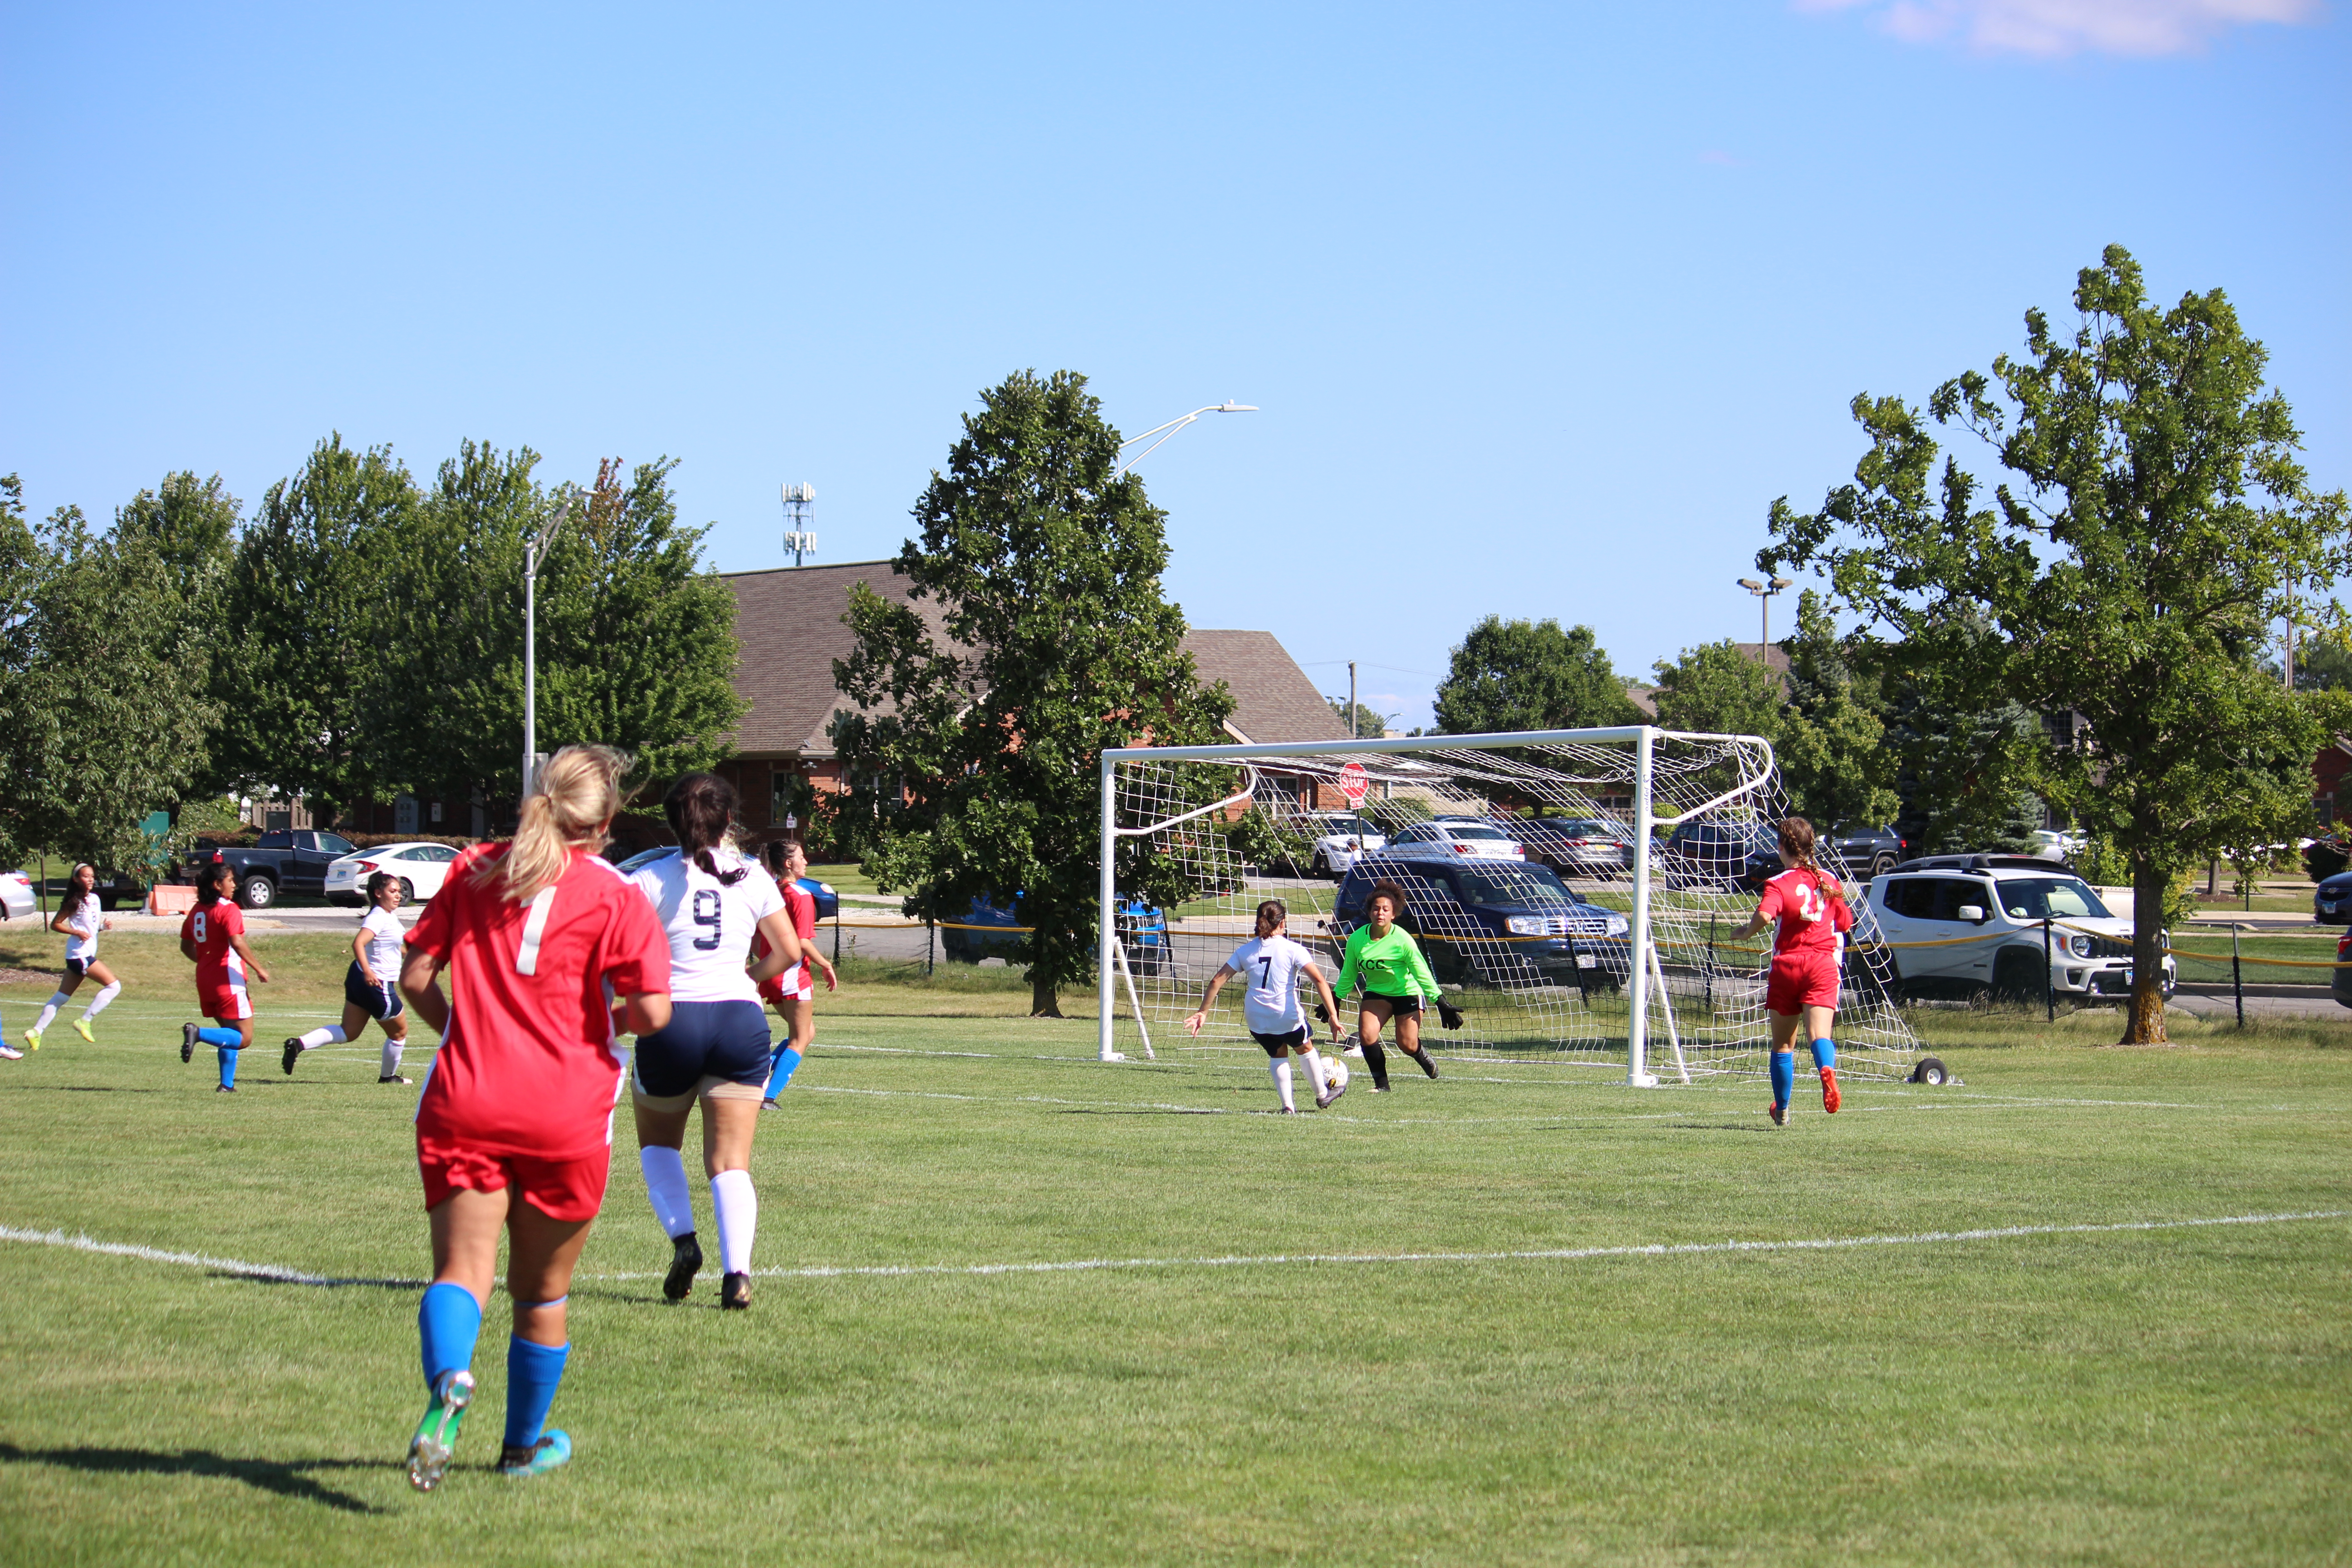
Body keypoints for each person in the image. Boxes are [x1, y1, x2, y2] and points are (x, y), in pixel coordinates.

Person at [398, 745, 671, 1488]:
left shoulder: (470, 868)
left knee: (461, 1271)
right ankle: (520, 1451)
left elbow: (413, 977)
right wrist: (594, 1020)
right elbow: (650, 1010)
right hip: (566, 1112)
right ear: (606, 820)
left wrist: (460, 1026)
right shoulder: (618, 896)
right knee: (541, 1295)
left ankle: (451, 1378)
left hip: (467, 1100)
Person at [626, 774, 803, 1311]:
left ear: (671, 821)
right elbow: (790, 952)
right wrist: (747, 979)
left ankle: (684, 1241)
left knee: (659, 1145)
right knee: (730, 1162)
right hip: (737, 1019)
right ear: (729, 820)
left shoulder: (649, 879)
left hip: (671, 1017)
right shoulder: (752, 876)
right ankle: (738, 1275)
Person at [1727, 816, 1854, 1127]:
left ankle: (1782, 1110)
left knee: (1783, 1045)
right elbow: (1847, 923)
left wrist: (1745, 931)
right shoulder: (1829, 881)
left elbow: (1766, 915)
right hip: (1823, 964)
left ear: (1782, 846)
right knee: (1819, 1035)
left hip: (1787, 965)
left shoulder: (1779, 882)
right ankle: (1826, 1069)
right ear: (1811, 847)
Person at [1184, 898, 1347, 1113]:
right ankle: (1322, 1094)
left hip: (1257, 1019)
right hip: (1285, 1015)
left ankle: (1287, 1106)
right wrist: (1333, 1016)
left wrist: (1202, 1012)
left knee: (1278, 1054)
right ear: (1283, 922)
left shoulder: (1246, 951)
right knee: (1305, 1047)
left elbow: (1217, 981)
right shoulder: (1293, 949)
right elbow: (1319, 981)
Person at [283, 870, 416, 1083]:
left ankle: (298, 1044)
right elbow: (359, 943)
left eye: (400, 892)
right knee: (399, 1033)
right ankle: (387, 1078)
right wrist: (370, 971)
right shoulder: (378, 916)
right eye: (393, 891)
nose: (398, 895)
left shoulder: (388, 916)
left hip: (359, 978)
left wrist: (417, 957)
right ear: (378, 893)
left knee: (349, 1032)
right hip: (375, 982)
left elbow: (393, 948)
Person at [1331, 880, 1449, 1092]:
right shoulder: (1357, 939)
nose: (1380, 913)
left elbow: (1421, 971)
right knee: (1367, 1036)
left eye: (1386, 909)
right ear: (1369, 912)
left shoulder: (1403, 940)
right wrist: (1336, 999)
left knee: (1407, 1044)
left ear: (1393, 914)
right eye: (1376, 909)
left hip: (1407, 993)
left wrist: (1440, 1001)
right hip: (1377, 993)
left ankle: (1421, 1056)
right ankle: (1382, 1086)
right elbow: (1349, 973)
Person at [179, 857, 272, 1092]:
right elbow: (237, 941)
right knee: (244, 1037)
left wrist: (205, 961)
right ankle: (197, 1033)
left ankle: (226, 1085)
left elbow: (186, 946)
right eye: (230, 880)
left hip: (205, 979)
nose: (235, 885)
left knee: (229, 1033)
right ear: (217, 885)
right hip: (228, 980)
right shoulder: (229, 909)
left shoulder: (198, 909)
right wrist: (259, 968)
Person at [755, 838, 836, 1106]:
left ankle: (756, 1077)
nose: (806, 862)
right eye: (802, 857)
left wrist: (766, 962)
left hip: (771, 973)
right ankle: (767, 1095)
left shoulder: (773, 892)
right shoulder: (801, 896)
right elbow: (801, 942)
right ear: (789, 864)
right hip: (791, 973)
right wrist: (825, 964)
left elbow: (757, 937)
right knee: (801, 1037)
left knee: (805, 1032)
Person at [24, 863, 123, 1049]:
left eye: (92, 876)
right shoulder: (73, 901)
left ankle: (35, 1032)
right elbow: (56, 924)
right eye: (86, 876)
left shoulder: (94, 899)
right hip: (80, 956)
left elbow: (90, 929)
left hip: (81, 955)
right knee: (114, 986)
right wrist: (76, 932)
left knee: (61, 997)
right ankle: (85, 1021)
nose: (91, 879)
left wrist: (102, 927)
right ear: (76, 879)